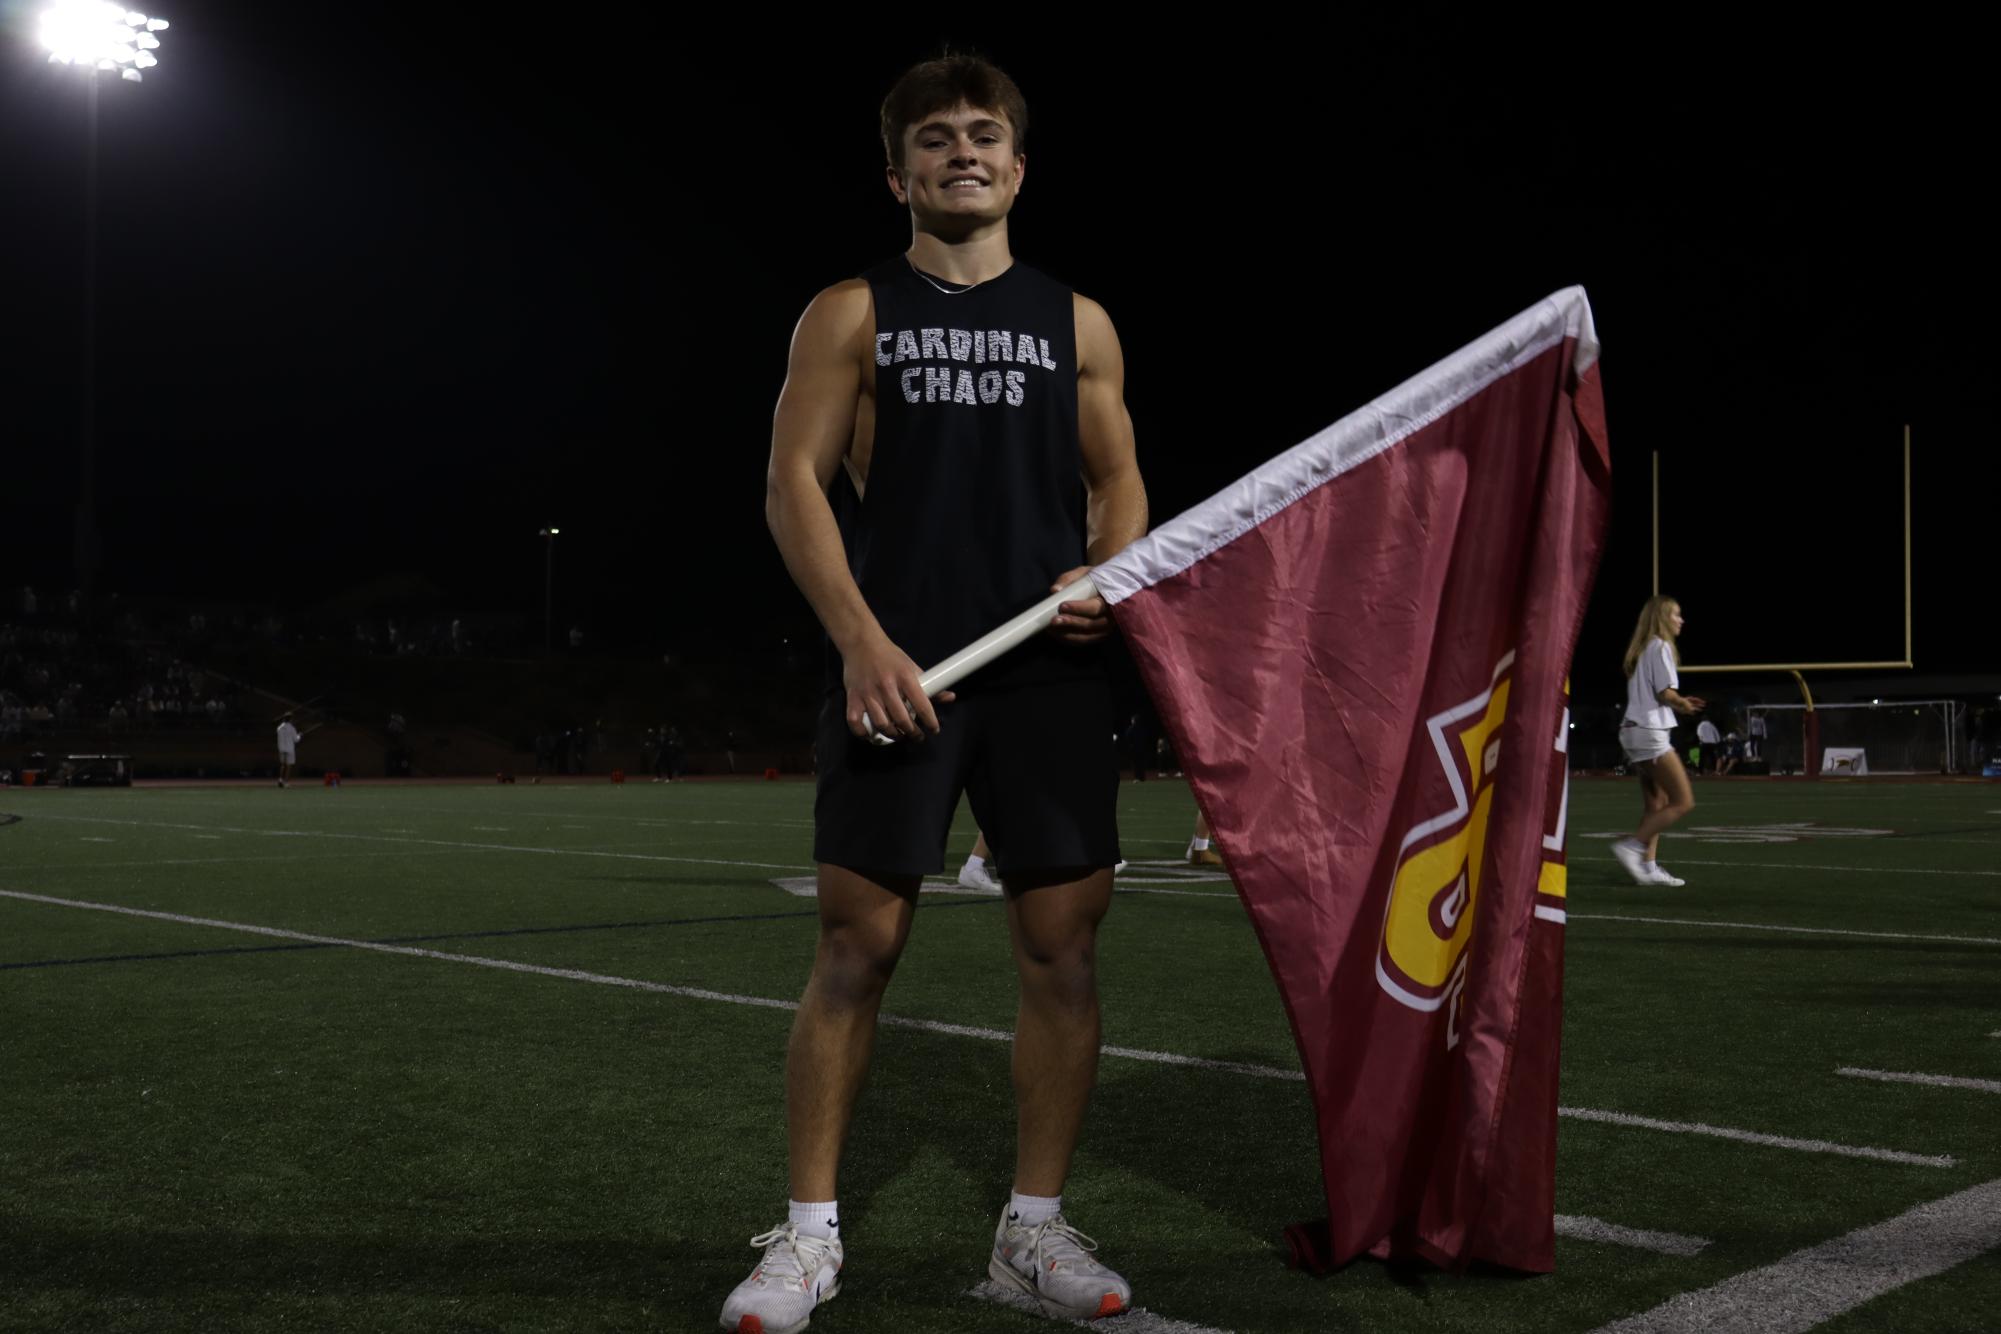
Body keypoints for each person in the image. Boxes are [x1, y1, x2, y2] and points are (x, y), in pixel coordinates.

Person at [724, 53, 1147, 1333]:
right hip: (903, 671)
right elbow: (792, 481)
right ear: (898, 170)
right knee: (857, 948)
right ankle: (805, 1239)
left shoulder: (1077, 321)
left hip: (1050, 677)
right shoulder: (849, 310)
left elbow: (1120, 482)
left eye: (985, 135)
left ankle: (1032, 1229)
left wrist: (1112, 574)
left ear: (1018, 166)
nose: (962, 151)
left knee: (1061, 953)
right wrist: (858, 638)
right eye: (935, 137)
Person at [1609, 597, 1706, 887]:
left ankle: (1649, 867)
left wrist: (1678, 702)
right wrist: (1683, 704)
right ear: (1663, 618)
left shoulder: (1643, 649)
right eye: (1676, 615)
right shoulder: (1661, 647)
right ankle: (1632, 846)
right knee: (1683, 801)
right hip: (1649, 733)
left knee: (1657, 803)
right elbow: (1665, 692)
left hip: (1633, 731)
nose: (1681, 620)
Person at [275, 713, 301, 788]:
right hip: (289, 748)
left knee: (283, 765)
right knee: (289, 766)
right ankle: (286, 782)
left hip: (281, 748)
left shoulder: (279, 728)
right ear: (290, 719)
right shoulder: (292, 728)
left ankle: (280, 779)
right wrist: (300, 736)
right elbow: (296, 740)